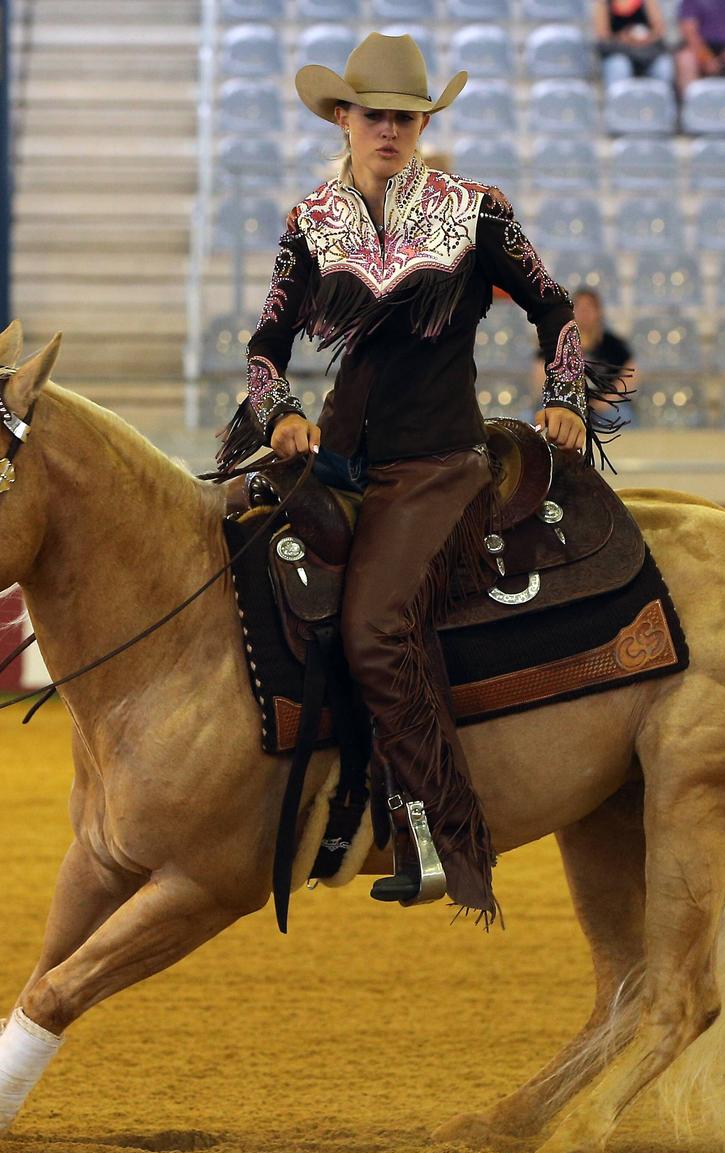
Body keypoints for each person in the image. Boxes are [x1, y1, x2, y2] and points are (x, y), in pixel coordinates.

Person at [217, 34, 613, 925]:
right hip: (338, 458)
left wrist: (564, 396)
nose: (389, 128)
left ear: (423, 124)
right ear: (345, 120)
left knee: (374, 625)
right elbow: (265, 343)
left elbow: (553, 304)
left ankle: (439, 829)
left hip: (437, 464)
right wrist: (279, 409)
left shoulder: (476, 211)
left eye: (405, 116)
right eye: (374, 114)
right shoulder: (312, 220)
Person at [535, 287, 636, 427]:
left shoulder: (613, 345)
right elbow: (540, 373)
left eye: (589, 308)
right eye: (579, 308)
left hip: (603, 408)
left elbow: (630, 374)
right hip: (563, 407)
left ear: (599, 312)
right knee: (531, 417)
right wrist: (563, 402)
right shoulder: (557, 342)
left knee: (624, 417)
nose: (584, 313)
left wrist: (608, 400)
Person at [677, 0, 725, 92]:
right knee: (685, 59)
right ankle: (690, 103)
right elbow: (690, 32)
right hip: (701, 48)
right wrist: (706, 58)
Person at [593, 0, 677, 87]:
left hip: (646, 51)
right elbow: (603, 36)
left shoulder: (647, 2)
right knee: (619, 65)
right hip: (618, 52)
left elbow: (659, 30)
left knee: (663, 65)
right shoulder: (603, 3)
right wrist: (624, 38)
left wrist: (645, 38)